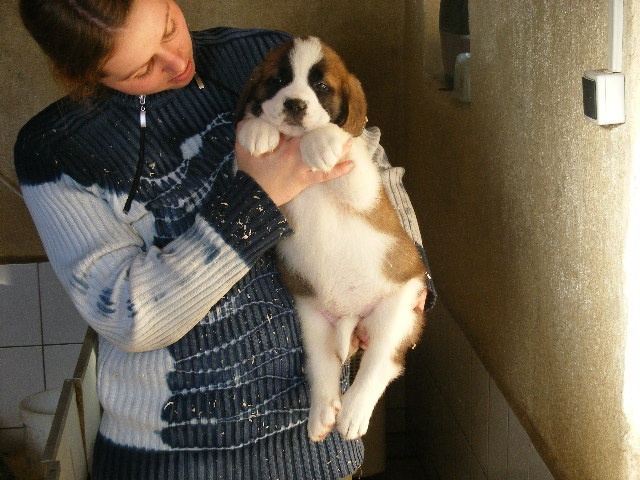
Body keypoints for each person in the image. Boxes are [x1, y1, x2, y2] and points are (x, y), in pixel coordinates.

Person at [15, 1, 436, 479]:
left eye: (169, 27)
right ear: (83, 74)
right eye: (141, 69)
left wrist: (409, 277)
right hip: (173, 461)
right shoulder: (53, 151)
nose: (176, 60)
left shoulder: (262, 55)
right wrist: (258, 197)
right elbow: (130, 316)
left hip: (315, 446)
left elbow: (368, 154)